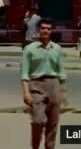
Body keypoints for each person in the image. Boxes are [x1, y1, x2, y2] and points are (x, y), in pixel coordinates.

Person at [21, 18, 67, 149]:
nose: (45, 30)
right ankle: (35, 146)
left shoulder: (57, 48)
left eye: (48, 28)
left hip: (54, 85)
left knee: (53, 123)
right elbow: (24, 73)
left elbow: (61, 71)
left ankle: (49, 146)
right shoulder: (29, 49)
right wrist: (26, 93)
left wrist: (63, 92)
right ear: (38, 30)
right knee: (37, 121)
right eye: (43, 28)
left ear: (51, 31)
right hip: (36, 86)